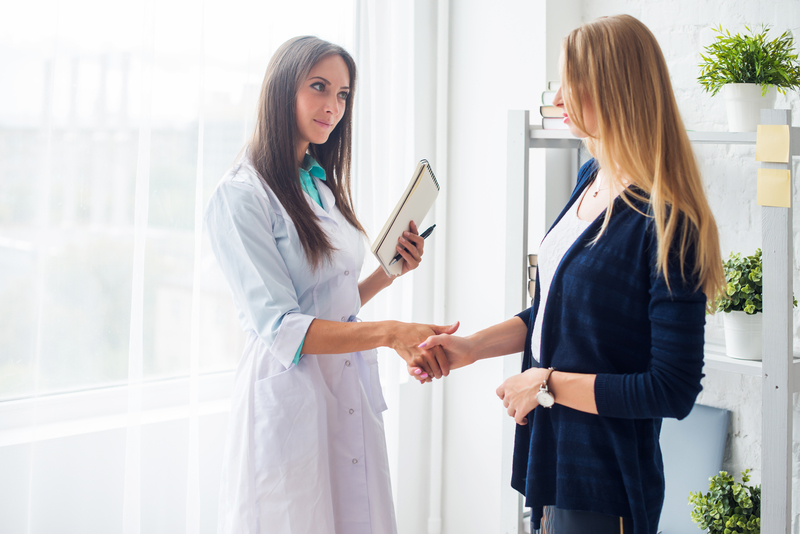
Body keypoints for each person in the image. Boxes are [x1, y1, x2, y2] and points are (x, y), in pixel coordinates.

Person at [415, 15, 724, 534]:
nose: (557, 98)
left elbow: (671, 390)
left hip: (606, 487)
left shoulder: (669, 223)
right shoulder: (591, 179)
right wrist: (469, 349)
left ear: (612, 91)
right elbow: (554, 313)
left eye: (569, 82)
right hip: (552, 462)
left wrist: (547, 385)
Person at [204, 36, 455, 534]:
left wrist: (388, 273)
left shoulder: (316, 181)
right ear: (282, 90)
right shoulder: (240, 195)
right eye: (319, 87)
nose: (333, 106)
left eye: (343, 94)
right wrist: (388, 333)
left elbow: (330, 303)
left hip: (344, 382)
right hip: (290, 392)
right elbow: (283, 328)